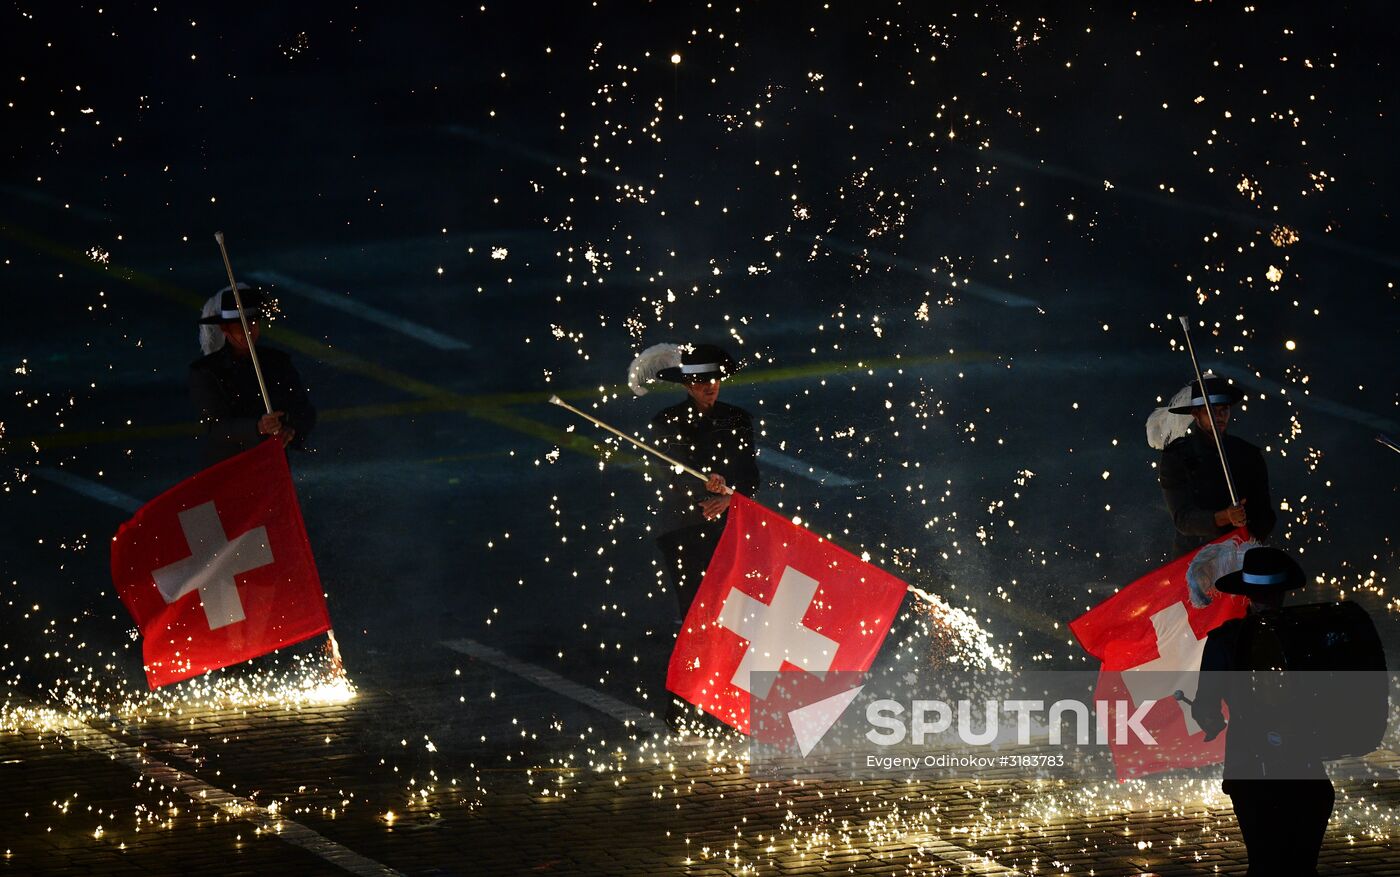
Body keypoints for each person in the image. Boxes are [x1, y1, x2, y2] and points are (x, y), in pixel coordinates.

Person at [1192, 547, 1333, 875]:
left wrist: (1210, 721)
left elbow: (1206, 706)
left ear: (1246, 594)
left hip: (1250, 770)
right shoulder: (1307, 634)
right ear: (1283, 592)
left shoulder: (1225, 640)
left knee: (1264, 862)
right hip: (1304, 767)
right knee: (1302, 866)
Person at [647, 343, 760, 732]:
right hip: (682, 531)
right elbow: (669, 473)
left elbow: (751, 476)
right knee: (696, 616)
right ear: (686, 385)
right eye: (698, 381)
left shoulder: (739, 419)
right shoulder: (666, 421)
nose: (708, 387)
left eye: (712, 379)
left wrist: (729, 499)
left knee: (732, 617)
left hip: (728, 529)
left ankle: (722, 706)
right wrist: (704, 494)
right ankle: (682, 708)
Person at [189, 284, 316, 466]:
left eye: (252, 322)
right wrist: (257, 427)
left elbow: (304, 409)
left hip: (272, 465)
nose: (248, 330)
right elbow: (215, 426)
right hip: (230, 468)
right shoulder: (206, 371)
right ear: (225, 328)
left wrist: (291, 428)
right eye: (239, 325)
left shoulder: (277, 361)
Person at [1158, 375, 1276, 557]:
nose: (1220, 417)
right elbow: (1183, 519)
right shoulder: (1177, 456)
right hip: (1193, 559)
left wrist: (1249, 539)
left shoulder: (1248, 454)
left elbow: (1265, 513)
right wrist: (1224, 517)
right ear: (1196, 414)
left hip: (1240, 553)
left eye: (1224, 410)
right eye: (1211, 411)